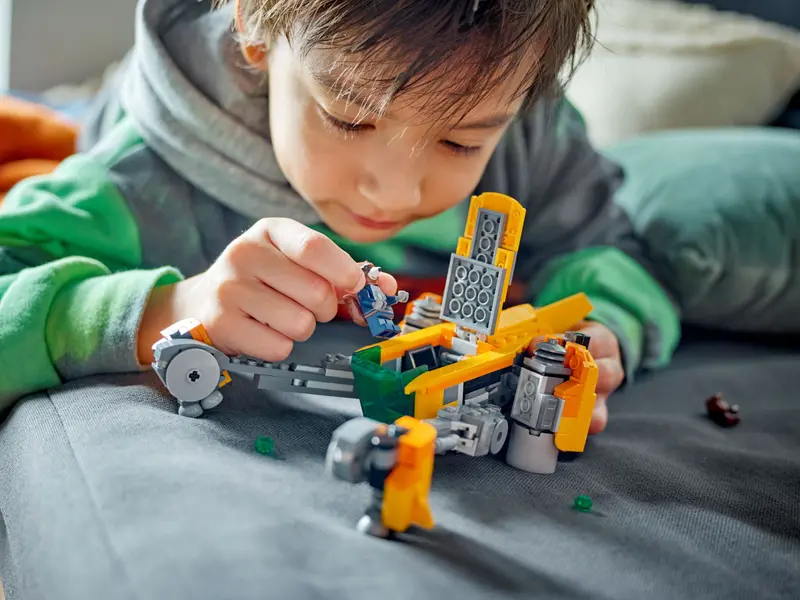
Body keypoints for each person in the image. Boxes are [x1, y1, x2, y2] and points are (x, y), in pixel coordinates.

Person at [0, 0, 679, 434]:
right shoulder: (140, 179)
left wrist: (599, 329)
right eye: (348, 120)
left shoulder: (533, 134)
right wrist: (165, 308)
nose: (392, 193)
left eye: (460, 142)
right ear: (255, 28)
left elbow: (605, 248)